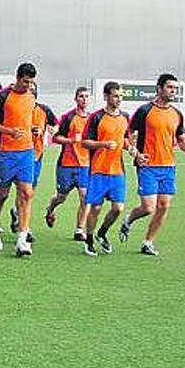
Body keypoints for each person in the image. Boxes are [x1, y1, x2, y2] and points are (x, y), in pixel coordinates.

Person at [120, 73, 185, 256]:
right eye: (169, 87)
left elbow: (180, 137)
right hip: (148, 165)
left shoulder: (177, 114)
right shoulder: (145, 111)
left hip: (168, 166)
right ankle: (128, 219)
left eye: (175, 88)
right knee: (148, 207)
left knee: (164, 206)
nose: (173, 91)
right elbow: (128, 134)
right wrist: (135, 153)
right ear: (159, 88)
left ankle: (148, 242)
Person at [81, 81, 140, 257]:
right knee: (96, 208)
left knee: (118, 208)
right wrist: (103, 144)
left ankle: (102, 233)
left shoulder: (125, 117)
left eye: (121, 96)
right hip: (98, 170)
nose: (119, 99)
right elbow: (85, 142)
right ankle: (89, 240)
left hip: (117, 171)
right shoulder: (96, 117)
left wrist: (131, 148)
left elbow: (124, 139)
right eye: (115, 95)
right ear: (106, 96)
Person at [0, 63, 38, 256]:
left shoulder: (31, 96)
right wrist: (9, 131)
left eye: (31, 82)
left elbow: (25, 118)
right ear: (17, 78)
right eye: (25, 81)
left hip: (27, 151)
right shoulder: (2, 96)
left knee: (26, 193)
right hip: (6, 152)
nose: (28, 85)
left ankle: (22, 239)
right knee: (3, 194)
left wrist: (32, 129)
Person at [9, 86, 57, 242]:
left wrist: (48, 130)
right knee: (21, 190)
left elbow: (55, 125)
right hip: (17, 152)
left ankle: (17, 213)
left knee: (29, 191)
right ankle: (24, 227)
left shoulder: (44, 109)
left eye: (32, 89)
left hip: (36, 155)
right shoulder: (16, 106)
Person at [45, 87, 91, 242]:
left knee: (85, 197)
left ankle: (79, 230)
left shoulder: (93, 119)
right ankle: (50, 209)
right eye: (81, 96)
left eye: (86, 97)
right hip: (66, 164)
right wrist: (71, 140)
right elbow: (56, 138)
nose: (84, 99)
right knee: (61, 197)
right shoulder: (68, 117)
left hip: (85, 165)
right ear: (76, 99)